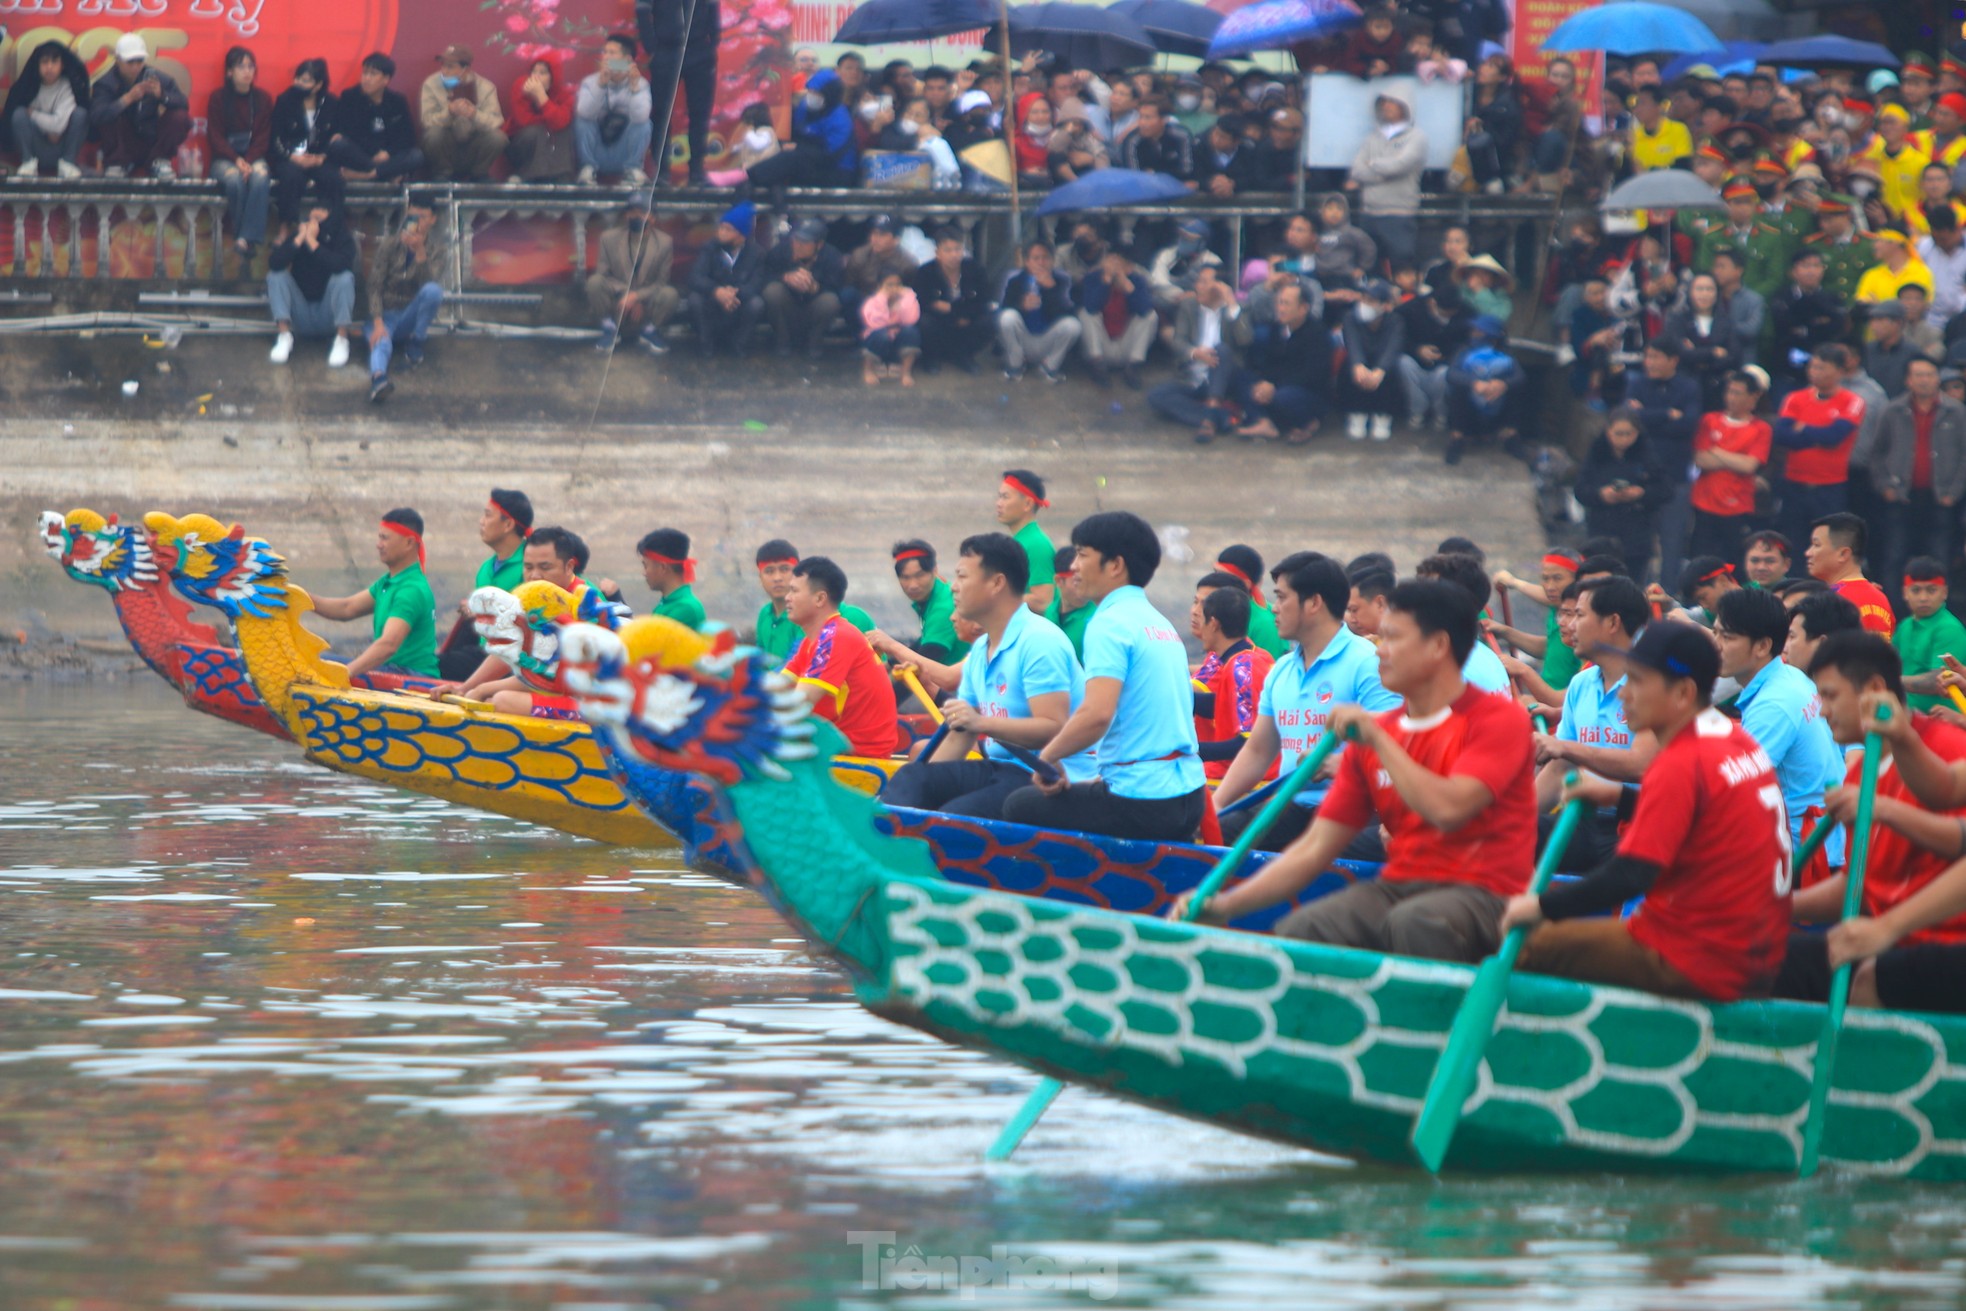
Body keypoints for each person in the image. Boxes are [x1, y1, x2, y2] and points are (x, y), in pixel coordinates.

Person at [1180, 580, 1535, 963]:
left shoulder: (1498, 720)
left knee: (1416, 922)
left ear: (1438, 646)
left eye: (1393, 639)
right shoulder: (1377, 732)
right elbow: (1314, 849)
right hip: (1404, 884)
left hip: (1488, 894)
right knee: (1304, 929)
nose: (1379, 652)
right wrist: (1226, 905)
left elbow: (1449, 810)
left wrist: (1378, 741)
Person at [1503, 623, 1790, 1002]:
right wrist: (1619, 797)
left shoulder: (1681, 761)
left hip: (1700, 956)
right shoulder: (1734, 739)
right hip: (1755, 949)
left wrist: (1539, 906)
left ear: (1683, 693)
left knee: (1524, 946)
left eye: (1636, 681)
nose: (1623, 694)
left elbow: (1632, 873)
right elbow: (1701, 812)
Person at [1774, 633, 1966, 1012]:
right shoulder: (1860, 770)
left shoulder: (1950, 745)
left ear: (1875, 689)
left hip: (1938, 944)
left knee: (1870, 978)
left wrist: (1885, 929)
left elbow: (1954, 835)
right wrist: (1775, 905)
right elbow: (1858, 887)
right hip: (1887, 939)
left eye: (1829, 696)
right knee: (1755, 956)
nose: (1822, 710)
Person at [999, 510, 1204, 842]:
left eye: (1082, 555)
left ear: (1115, 565)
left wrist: (1048, 758)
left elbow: (1096, 715)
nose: (1073, 566)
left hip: (1144, 800)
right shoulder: (1159, 624)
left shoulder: (1109, 623)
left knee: (1019, 804)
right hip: (1189, 794)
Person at [883, 534, 1094, 820]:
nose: (953, 587)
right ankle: (885, 838)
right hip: (999, 769)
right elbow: (961, 734)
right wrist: (923, 782)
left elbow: (1053, 727)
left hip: (1045, 777)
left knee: (953, 817)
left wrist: (981, 722)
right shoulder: (981, 648)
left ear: (996, 583)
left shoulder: (1039, 641)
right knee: (913, 779)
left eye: (962, 576)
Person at [1211, 551, 1398, 849]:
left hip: (1357, 807)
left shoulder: (1368, 663)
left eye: (1282, 598)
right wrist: (1217, 804)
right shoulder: (1282, 669)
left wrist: (1343, 764)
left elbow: (1399, 743)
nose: (1274, 608)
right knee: (1218, 834)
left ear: (1314, 603)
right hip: (1293, 804)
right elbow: (1259, 750)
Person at [1533, 576, 1651, 870]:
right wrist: (1512, 818)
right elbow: (1560, 766)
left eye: (1580, 615)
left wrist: (1567, 749)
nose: (1570, 626)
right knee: (1501, 834)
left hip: (1637, 824)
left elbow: (1643, 767)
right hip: (1583, 819)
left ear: (1612, 623)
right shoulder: (1581, 683)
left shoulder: (1653, 685)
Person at [1715, 586, 1843, 853]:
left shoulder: (1773, 705)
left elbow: (1732, 792)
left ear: (1762, 646)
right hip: (1826, 839)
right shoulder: (1790, 676)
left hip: (1807, 856)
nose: (1716, 645)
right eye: (1715, 632)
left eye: (1727, 637)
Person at [783, 556, 901, 759]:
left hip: (859, 754)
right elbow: (779, 686)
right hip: (839, 745)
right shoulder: (812, 641)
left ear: (820, 599)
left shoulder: (835, 636)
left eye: (794, 591)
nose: (787, 597)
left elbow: (799, 701)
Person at [306, 509, 440, 679]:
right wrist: (300, 597)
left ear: (409, 543)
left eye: (385, 538)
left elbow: (389, 645)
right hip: (391, 669)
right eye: (379, 537)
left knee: (318, 665)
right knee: (315, 661)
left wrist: (344, 673)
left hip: (410, 676)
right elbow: (347, 608)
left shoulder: (411, 590)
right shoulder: (389, 582)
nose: (379, 544)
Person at [1874, 357, 1966, 591]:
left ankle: (1940, 611)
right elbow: (1877, 453)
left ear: (1938, 379)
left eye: (1930, 375)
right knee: (1895, 556)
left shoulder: (1956, 412)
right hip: (1901, 496)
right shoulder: (1892, 410)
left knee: (1940, 556)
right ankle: (1893, 613)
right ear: (1908, 380)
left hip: (1941, 498)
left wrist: (1954, 492)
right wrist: (1885, 486)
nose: (1924, 380)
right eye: (1919, 375)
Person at [1772, 345, 1866, 553]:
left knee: (1827, 547)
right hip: (1794, 483)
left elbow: (1834, 437)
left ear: (1840, 371)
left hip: (1829, 486)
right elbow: (1782, 435)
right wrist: (1818, 436)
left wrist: (1802, 429)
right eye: (1813, 367)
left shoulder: (1852, 401)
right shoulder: (1795, 398)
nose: (1815, 372)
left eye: (1822, 368)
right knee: (1791, 543)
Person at [1626, 339, 1702, 587]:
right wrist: (1667, 414)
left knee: (1672, 542)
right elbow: (1631, 420)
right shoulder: (1636, 384)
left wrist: (1648, 415)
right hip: (1641, 477)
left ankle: (1668, 596)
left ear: (1673, 360)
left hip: (1676, 477)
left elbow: (1688, 424)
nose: (1651, 362)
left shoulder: (1688, 387)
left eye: (1657, 357)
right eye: (1648, 356)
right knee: (1637, 543)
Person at [437, 488, 534, 679]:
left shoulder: (530, 566)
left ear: (507, 524)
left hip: (512, 658)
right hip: (485, 650)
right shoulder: (485, 568)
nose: (481, 521)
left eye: (488, 515)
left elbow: (528, 616)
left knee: (441, 666)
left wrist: (482, 612)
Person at [365, 194, 448, 404]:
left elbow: (430, 285)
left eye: (422, 216)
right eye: (413, 216)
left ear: (432, 220)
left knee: (433, 291)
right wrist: (377, 322)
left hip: (411, 314)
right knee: (381, 342)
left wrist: (420, 252)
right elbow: (374, 285)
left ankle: (417, 341)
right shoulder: (390, 245)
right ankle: (379, 379)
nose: (417, 221)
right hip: (386, 313)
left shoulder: (437, 250)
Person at [1148, 263, 1240, 442]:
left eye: (1204, 283)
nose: (1198, 287)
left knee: (1222, 350)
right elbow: (1178, 341)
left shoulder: (1235, 309)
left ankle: (1210, 416)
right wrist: (1194, 353)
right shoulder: (1189, 306)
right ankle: (1216, 417)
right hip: (1193, 378)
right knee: (1157, 397)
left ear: (1220, 287)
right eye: (1198, 282)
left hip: (1222, 379)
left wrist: (1232, 306)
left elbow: (1245, 339)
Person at [1191, 583, 1275, 780]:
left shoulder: (1242, 667)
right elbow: (1222, 705)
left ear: (1213, 624)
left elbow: (1247, 743)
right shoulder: (1252, 656)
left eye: (1202, 619)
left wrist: (1188, 750)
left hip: (1248, 780)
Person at [1574, 405, 1666, 583]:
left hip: (1636, 535)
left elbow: (1665, 489)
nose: (1624, 439)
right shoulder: (1597, 454)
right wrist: (1601, 495)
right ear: (1608, 432)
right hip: (1602, 533)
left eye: (1629, 434)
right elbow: (1580, 490)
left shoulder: (1646, 454)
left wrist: (1641, 493)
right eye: (1619, 433)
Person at [1231, 281, 1329, 445]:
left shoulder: (1317, 334)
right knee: (1242, 378)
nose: (1280, 308)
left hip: (1307, 392)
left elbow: (1312, 374)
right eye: (1279, 302)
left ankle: (1308, 423)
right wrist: (1264, 383)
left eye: (1286, 304)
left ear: (1303, 308)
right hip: (1278, 384)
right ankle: (1263, 422)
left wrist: (1274, 386)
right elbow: (1270, 363)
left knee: (1284, 397)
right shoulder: (1277, 329)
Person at [1689, 370, 1771, 566]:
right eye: (1729, 391)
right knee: (1701, 560)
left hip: (1737, 505)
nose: (1731, 397)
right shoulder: (1709, 421)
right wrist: (1736, 459)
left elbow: (1750, 465)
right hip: (1705, 503)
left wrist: (1717, 451)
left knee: (1733, 561)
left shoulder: (1761, 429)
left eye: (1737, 393)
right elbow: (1701, 459)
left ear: (1753, 397)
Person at [637, 0, 721, 186]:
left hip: (699, 49)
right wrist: (651, 45)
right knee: (661, 114)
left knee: (700, 113)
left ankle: (697, 171)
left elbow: (714, 6)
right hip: (666, 51)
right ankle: (661, 172)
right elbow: (642, 10)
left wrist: (713, 39)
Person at [751, 540, 873, 662]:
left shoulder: (807, 613)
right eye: (769, 571)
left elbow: (801, 665)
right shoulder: (765, 614)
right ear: (760, 577)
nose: (777, 578)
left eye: (784, 569)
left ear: (798, 573)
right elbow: (761, 660)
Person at [88, 34, 190, 179]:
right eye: (130, 62)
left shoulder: (155, 78)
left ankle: (159, 161)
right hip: (122, 144)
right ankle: (118, 163)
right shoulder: (105, 83)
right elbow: (96, 116)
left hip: (151, 141)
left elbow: (183, 103)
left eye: (139, 61)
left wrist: (162, 95)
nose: (135, 67)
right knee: (110, 114)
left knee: (179, 116)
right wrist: (126, 100)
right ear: (117, 60)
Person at [267, 204, 356, 368]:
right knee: (276, 276)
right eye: (311, 219)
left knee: (344, 278)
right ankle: (284, 336)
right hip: (301, 315)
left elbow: (340, 265)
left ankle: (342, 340)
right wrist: (300, 238)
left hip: (328, 315)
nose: (313, 224)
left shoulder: (341, 237)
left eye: (319, 220)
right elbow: (274, 263)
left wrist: (313, 243)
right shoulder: (299, 235)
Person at [1347, 92, 1426, 273]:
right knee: (1369, 264)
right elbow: (1357, 171)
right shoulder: (1372, 138)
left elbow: (1400, 165)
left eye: (1393, 102)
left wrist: (1373, 165)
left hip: (1398, 212)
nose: (1387, 106)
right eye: (1384, 102)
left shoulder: (1416, 137)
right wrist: (1385, 171)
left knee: (1401, 263)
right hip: (1369, 212)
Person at [587, 196, 677, 355]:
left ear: (653, 217)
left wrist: (636, 297)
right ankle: (610, 329)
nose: (637, 217)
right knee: (595, 282)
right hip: (618, 301)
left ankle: (649, 332)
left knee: (670, 294)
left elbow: (661, 282)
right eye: (632, 213)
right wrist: (627, 294)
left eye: (642, 213)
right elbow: (603, 274)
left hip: (647, 303)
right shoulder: (609, 238)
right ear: (626, 216)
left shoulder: (665, 242)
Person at [205, 48, 272, 257]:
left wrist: (249, 161)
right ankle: (244, 237)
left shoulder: (263, 99)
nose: (247, 72)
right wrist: (236, 160)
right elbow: (215, 137)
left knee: (260, 177)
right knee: (234, 181)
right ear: (229, 72)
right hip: (225, 158)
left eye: (250, 66)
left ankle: (244, 238)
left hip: (254, 155)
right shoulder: (218, 98)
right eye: (241, 66)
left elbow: (263, 137)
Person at [1489, 551, 1582, 693]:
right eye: (1545, 579)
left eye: (1557, 578)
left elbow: (1570, 698)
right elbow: (1551, 648)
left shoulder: (1582, 622)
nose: (1550, 587)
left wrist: (1524, 671)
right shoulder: (1556, 609)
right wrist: (1505, 632)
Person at [268, 58, 342, 234]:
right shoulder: (285, 100)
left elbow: (336, 137)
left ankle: (331, 228)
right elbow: (275, 139)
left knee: (333, 179)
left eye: (306, 80)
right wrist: (293, 157)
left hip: (318, 158)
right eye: (298, 79)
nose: (299, 83)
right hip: (291, 157)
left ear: (318, 85)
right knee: (290, 176)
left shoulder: (331, 103)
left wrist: (321, 157)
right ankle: (286, 227)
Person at [687, 201, 765, 358]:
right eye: (721, 227)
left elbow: (757, 284)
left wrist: (734, 294)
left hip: (737, 304)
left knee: (757, 303)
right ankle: (705, 343)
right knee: (695, 299)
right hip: (713, 303)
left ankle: (740, 344)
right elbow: (695, 277)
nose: (721, 232)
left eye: (728, 229)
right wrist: (716, 291)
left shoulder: (756, 253)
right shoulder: (710, 247)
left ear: (741, 235)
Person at [329, 53, 422, 183]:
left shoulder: (397, 101)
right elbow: (348, 131)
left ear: (386, 79)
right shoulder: (349, 97)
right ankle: (386, 174)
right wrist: (374, 153)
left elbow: (407, 136)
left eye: (372, 74)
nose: (366, 79)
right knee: (338, 144)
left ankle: (366, 175)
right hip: (360, 155)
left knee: (416, 155)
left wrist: (388, 153)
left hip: (387, 156)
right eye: (364, 73)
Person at [998, 239, 1081, 384]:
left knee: (1073, 325)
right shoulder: (1015, 281)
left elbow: (1068, 312)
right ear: (1027, 261)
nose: (1041, 263)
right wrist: (1022, 306)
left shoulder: (1062, 281)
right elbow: (1004, 310)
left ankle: (1050, 366)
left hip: (1047, 338)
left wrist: (1050, 289)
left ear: (1052, 260)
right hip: (1023, 339)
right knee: (1007, 317)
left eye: (1045, 258)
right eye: (1036, 258)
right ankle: (1016, 365)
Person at [1442, 316, 1523, 465]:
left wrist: (1503, 384)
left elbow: (1519, 376)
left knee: (1516, 391)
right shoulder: (1464, 351)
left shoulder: (1505, 354)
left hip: (1495, 409)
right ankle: (1457, 438)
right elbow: (1451, 374)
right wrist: (1474, 383)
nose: (1474, 333)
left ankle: (1511, 436)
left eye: (1478, 331)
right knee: (1458, 391)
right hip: (1470, 410)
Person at [911, 227, 992, 375]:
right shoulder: (925, 272)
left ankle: (964, 356)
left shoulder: (975, 269)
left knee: (988, 321)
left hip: (967, 319)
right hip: (938, 322)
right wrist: (956, 311)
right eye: (948, 250)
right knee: (924, 323)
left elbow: (983, 299)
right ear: (937, 253)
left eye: (957, 249)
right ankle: (931, 358)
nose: (954, 255)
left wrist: (956, 311)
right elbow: (924, 302)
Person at [574, 35, 652, 186]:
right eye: (605, 52)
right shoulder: (590, 82)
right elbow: (584, 113)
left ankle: (632, 171)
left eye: (612, 53)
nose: (606, 57)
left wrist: (634, 88)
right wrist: (601, 85)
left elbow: (641, 118)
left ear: (627, 60)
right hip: (597, 150)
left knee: (644, 123)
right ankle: (587, 169)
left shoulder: (640, 84)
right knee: (582, 120)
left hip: (623, 152)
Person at [420, 45, 506, 182]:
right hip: (446, 144)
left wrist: (474, 114)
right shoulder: (431, 84)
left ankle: (479, 174)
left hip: (474, 143)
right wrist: (449, 112)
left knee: (498, 138)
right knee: (433, 135)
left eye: (450, 67)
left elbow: (496, 121)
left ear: (466, 69)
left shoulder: (486, 87)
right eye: (442, 66)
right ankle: (443, 173)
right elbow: (427, 120)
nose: (444, 71)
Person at [760, 218, 844, 360]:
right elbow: (763, 277)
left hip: (814, 308)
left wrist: (815, 287)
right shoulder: (780, 251)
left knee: (830, 301)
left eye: (805, 242)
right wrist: (785, 277)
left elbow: (837, 288)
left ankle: (814, 343)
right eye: (796, 240)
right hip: (787, 307)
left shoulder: (832, 257)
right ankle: (782, 342)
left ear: (819, 244)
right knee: (772, 291)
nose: (798, 245)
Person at [6, 40, 89, 180]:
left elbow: (58, 126)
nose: (49, 67)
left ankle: (68, 164)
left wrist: (32, 113)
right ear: (37, 65)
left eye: (54, 62)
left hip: (61, 148)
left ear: (62, 65)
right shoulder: (28, 87)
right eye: (44, 62)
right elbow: (24, 119)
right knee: (19, 114)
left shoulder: (68, 86)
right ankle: (28, 164)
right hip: (37, 148)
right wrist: (48, 128)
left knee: (81, 114)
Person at [1807, 512, 1896, 638]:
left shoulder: (1831, 601)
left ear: (1843, 554)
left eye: (1816, 545)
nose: (1808, 553)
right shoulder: (1881, 598)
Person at [1077, 248, 1155, 390]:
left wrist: (1126, 285)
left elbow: (1145, 310)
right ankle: (1098, 367)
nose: (1113, 269)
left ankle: (1132, 368)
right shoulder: (1094, 277)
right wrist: (1105, 281)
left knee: (1150, 316)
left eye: (1118, 264)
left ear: (1129, 267)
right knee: (1085, 313)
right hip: (1102, 345)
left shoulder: (1137, 280)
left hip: (1125, 344)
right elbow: (1091, 307)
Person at [1397, 283, 1470, 431]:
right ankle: (1417, 411)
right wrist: (1417, 349)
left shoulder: (1465, 312)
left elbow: (1466, 341)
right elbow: (1398, 336)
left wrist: (1447, 356)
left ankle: (1441, 413)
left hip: (1445, 364)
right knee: (1403, 363)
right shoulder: (1410, 309)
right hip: (1415, 361)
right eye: (1445, 313)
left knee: (1446, 373)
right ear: (1432, 303)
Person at [1895, 558, 1966, 712]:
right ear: (1905, 592)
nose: (1923, 598)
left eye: (1931, 590)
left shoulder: (1950, 629)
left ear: (1945, 592)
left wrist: (1889, 680)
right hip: (1909, 717)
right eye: (1916, 590)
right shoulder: (1904, 626)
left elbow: (1938, 680)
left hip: (1943, 722)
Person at [1339, 279, 1403, 442]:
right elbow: (1352, 343)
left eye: (1371, 301)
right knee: (1348, 366)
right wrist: (1358, 365)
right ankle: (1357, 412)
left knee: (1394, 367)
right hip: (1361, 363)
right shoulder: (1350, 317)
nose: (1365, 304)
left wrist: (1380, 370)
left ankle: (1383, 415)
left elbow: (1393, 347)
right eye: (1363, 299)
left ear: (1385, 305)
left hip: (1382, 366)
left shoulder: (1395, 321)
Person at [504, 51, 576, 184]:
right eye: (534, 72)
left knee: (563, 130)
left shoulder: (564, 94)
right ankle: (527, 175)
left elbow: (561, 122)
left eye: (542, 73)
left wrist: (542, 99)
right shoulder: (521, 86)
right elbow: (524, 120)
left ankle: (562, 175)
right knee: (538, 130)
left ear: (553, 76)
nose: (536, 77)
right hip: (521, 145)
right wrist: (547, 114)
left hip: (553, 149)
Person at [890, 540, 967, 663]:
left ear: (934, 571)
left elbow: (924, 661)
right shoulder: (941, 589)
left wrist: (891, 646)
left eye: (919, 575)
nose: (913, 585)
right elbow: (925, 639)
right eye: (905, 577)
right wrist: (889, 664)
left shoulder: (944, 608)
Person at [995, 470, 1055, 615]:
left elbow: (1043, 601)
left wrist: (994, 598)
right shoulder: (1019, 541)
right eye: (999, 497)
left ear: (1028, 503)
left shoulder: (1036, 545)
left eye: (1005, 497)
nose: (998, 503)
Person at [841, 214, 918, 326]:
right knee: (847, 295)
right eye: (873, 233)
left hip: (892, 303)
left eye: (882, 235)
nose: (875, 239)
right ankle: (859, 335)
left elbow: (909, 294)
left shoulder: (908, 263)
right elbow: (848, 284)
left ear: (896, 239)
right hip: (864, 300)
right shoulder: (859, 255)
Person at [859, 270, 921, 387]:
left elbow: (911, 319)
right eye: (889, 285)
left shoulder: (907, 300)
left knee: (912, 331)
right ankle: (869, 370)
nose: (894, 288)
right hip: (879, 337)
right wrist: (883, 300)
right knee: (881, 335)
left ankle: (906, 372)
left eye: (898, 284)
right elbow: (874, 323)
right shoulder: (873, 301)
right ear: (880, 287)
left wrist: (905, 299)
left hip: (899, 339)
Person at [1117, 97, 1193, 182]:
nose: (1142, 122)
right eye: (1140, 117)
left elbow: (1187, 170)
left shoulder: (1181, 136)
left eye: (1148, 118)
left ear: (1164, 119)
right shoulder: (1132, 140)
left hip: (1176, 185)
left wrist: (1155, 173)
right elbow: (1133, 174)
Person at [1042, 546, 1092, 660]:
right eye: (1077, 580)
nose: (1084, 587)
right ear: (1059, 581)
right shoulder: (1050, 612)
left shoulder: (1096, 617)